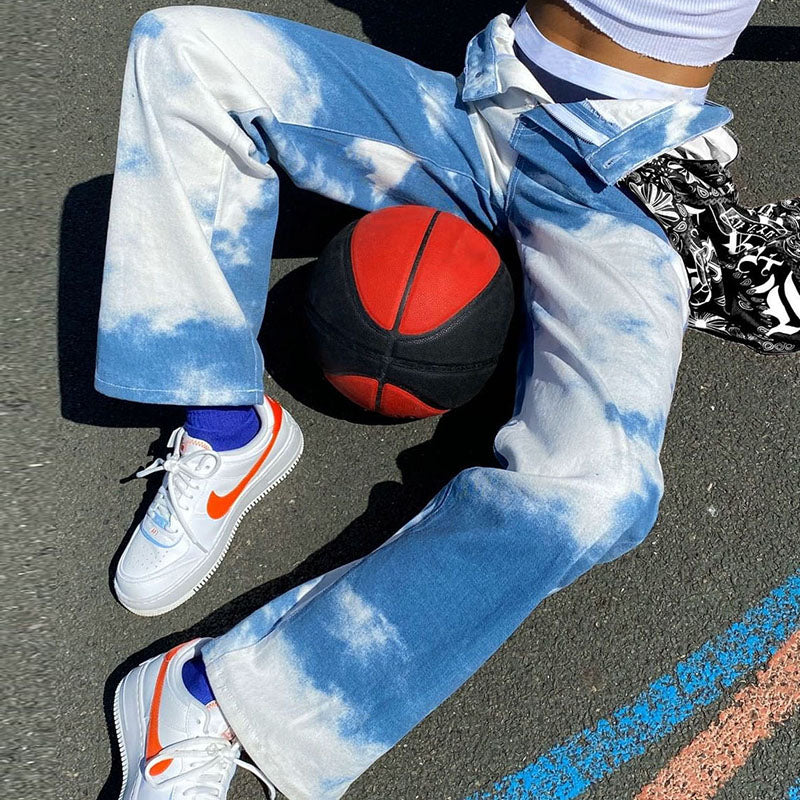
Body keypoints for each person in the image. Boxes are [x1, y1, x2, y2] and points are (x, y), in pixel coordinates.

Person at [96, 1, 794, 798]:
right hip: (491, 99)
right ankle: (226, 428)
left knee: (602, 491)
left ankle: (207, 697)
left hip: (617, 178)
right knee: (181, 50)